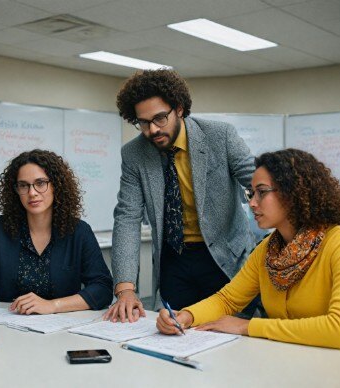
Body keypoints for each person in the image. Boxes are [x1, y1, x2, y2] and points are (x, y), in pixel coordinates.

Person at [157, 149, 340, 352]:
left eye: (262, 192)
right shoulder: (268, 249)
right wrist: (185, 316)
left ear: (294, 193)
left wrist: (247, 326)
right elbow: (227, 300)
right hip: (300, 362)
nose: (252, 203)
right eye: (251, 193)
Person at [105, 69, 255, 322]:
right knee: (172, 332)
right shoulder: (134, 154)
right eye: (143, 122)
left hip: (223, 257)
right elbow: (127, 217)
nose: (152, 130)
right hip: (174, 260)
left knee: (228, 332)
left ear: (180, 109)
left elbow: (258, 182)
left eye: (160, 118)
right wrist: (126, 288)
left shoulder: (220, 136)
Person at [0, 149, 113, 314]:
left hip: (61, 331)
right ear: (15, 190)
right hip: (6, 326)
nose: (32, 192)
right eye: (23, 185)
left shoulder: (78, 231)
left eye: (40, 183)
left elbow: (102, 288)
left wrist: (53, 305)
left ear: (56, 186)